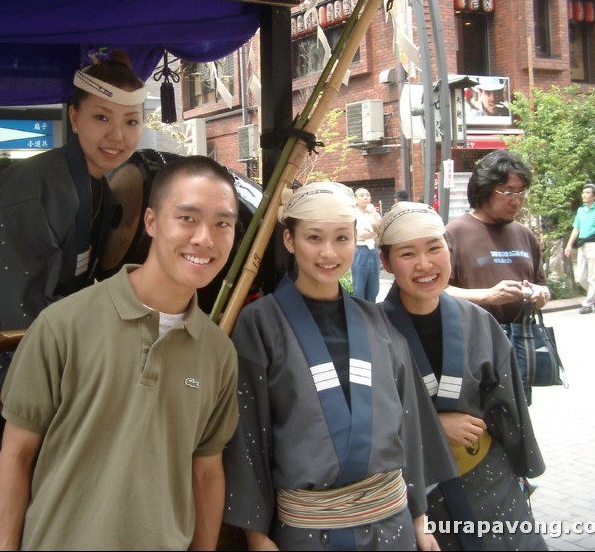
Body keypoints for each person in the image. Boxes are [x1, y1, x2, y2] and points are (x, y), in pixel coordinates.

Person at [0, 156, 240, 550]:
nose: (205, 239)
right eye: (188, 218)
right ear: (152, 222)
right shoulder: (64, 324)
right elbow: (17, 455)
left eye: (222, 223)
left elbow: (206, 471)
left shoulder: (219, 352)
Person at [0, 50, 147, 464]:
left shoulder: (95, 185)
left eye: (131, 122)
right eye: (102, 118)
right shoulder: (37, 182)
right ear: (75, 118)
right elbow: (15, 307)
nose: (117, 136)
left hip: (44, 337)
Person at [222, 182, 457, 552]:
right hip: (309, 533)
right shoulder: (260, 323)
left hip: (391, 525)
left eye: (342, 238)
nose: (328, 253)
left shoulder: (378, 321)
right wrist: (257, 534)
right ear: (289, 240)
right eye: (314, 238)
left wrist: (419, 517)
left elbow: (408, 420)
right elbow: (247, 433)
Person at [378, 202, 547, 551]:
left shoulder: (478, 321)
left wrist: (521, 466)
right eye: (408, 253)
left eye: (434, 248)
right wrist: (433, 425)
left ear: (448, 251)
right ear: (386, 262)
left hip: (485, 475)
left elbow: (508, 403)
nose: (425, 264)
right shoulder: (371, 329)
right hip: (410, 488)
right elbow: (365, 415)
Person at [445, 151, 549, 404]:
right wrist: (489, 296)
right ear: (485, 189)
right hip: (473, 345)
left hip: (519, 347)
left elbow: (542, 284)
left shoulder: (525, 234)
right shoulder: (454, 233)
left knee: (517, 423)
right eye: (508, 192)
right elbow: (436, 291)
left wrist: (540, 294)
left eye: (521, 192)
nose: (517, 200)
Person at [564, 183, 595, 314]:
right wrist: (569, 245)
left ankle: (587, 304)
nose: (584, 195)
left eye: (587, 193)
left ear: (594, 196)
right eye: (583, 192)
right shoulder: (580, 210)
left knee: (592, 277)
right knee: (581, 278)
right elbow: (576, 229)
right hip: (582, 245)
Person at [351, 187, 381, 301]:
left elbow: (380, 230)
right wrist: (373, 233)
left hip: (373, 251)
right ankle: (359, 313)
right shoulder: (353, 214)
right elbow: (359, 234)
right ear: (355, 199)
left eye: (367, 195)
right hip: (359, 250)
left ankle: (371, 310)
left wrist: (373, 214)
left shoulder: (374, 213)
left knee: (373, 287)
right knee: (359, 286)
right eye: (362, 195)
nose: (365, 197)